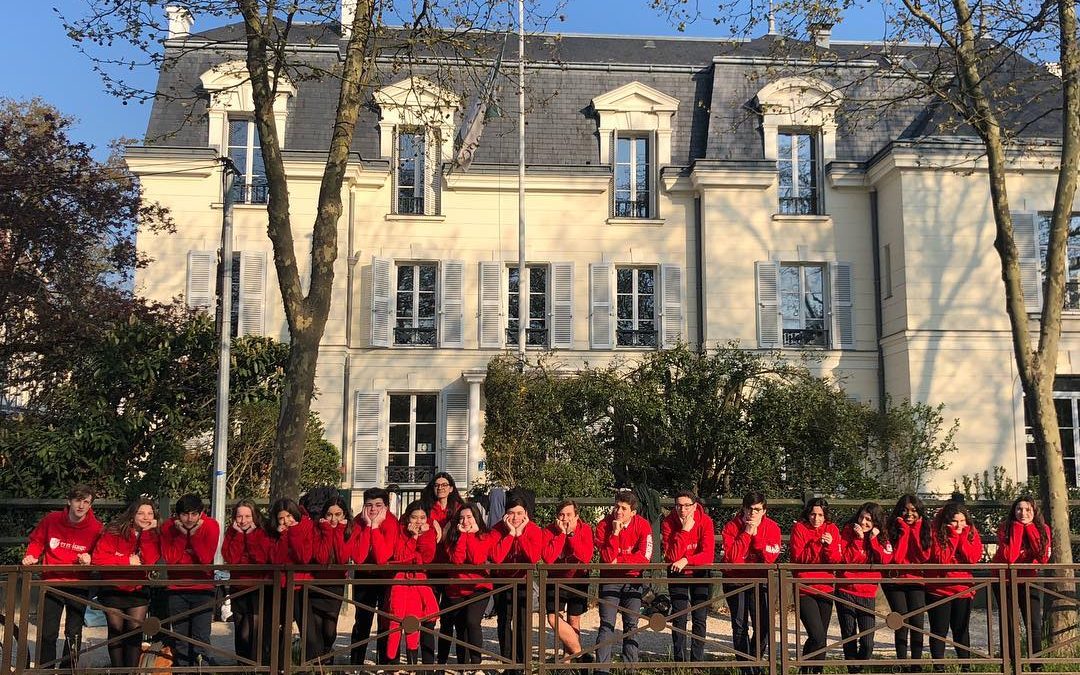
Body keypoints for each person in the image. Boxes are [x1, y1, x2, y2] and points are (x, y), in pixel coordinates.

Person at [22, 484, 102, 669]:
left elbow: (101, 552)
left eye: (86, 502)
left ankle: (69, 669)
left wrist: (90, 558)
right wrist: (32, 555)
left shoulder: (97, 527)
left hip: (79, 583)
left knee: (74, 632)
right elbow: (37, 541)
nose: (81, 505)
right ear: (69, 501)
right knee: (47, 632)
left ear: (90, 505)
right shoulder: (52, 519)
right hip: (52, 581)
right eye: (77, 500)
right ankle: (45, 670)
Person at [91, 497, 160, 669]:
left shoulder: (154, 534)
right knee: (116, 629)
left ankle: (132, 671)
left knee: (135, 630)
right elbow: (98, 559)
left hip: (138, 588)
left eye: (150, 513)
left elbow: (150, 561)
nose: (146, 517)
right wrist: (126, 561)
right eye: (141, 513)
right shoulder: (114, 531)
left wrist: (146, 534)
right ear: (132, 514)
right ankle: (117, 670)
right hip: (113, 587)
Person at [594, 489, 653, 675]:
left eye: (623, 508)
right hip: (609, 580)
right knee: (606, 625)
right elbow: (607, 558)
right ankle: (602, 670)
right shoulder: (603, 525)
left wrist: (619, 561)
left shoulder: (643, 525)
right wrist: (615, 533)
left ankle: (630, 669)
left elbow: (644, 558)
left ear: (633, 512)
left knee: (631, 625)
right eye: (616, 507)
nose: (618, 511)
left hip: (633, 580)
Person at [159, 493, 221, 667]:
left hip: (203, 588)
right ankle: (183, 670)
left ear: (201, 513)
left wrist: (192, 534)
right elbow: (171, 559)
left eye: (194, 514)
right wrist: (182, 535)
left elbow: (205, 558)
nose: (189, 519)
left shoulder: (211, 525)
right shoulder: (168, 527)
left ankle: (201, 669)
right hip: (176, 588)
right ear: (177, 515)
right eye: (185, 514)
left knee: (201, 637)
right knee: (181, 638)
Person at [722, 490, 782, 670]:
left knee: (764, 626)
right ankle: (746, 668)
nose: (753, 513)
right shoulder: (731, 527)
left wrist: (756, 539)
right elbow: (732, 559)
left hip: (761, 581)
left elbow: (770, 557)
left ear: (764, 511)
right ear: (743, 508)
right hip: (735, 580)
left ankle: (756, 662)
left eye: (757, 509)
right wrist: (747, 533)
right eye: (749, 509)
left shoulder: (772, 527)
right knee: (739, 626)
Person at [992, 496, 1051, 669]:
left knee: (1033, 623)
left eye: (1028, 510)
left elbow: (1042, 557)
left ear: (1034, 512)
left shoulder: (1043, 528)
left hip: (1028, 579)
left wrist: (1030, 528)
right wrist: (1018, 528)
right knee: (1009, 623)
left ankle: (1036, 664)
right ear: (1014, 511)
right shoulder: (1005, 527)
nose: (1023, 513)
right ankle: (1010, 665)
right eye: (1019, 509)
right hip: (1005, 580)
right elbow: (1010, 557)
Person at [489, 491, 543, 672]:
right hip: (502, 579)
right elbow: (497, 557)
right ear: (505, 514)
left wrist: (520, 535)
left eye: (519, 513)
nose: (515, 517)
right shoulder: (497, 529)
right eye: (511, 513)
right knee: (504, 621)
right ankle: (508, 663)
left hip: (523, 580)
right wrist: (511, 534)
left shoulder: (534, 529)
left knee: (523, 621)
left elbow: (533, 557)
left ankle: (523, 663)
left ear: (526, 514)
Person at [837, 501, 893, 673]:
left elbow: (885, 560)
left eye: (868, 519)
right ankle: (853, 670)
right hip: (845, 590)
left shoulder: (881, 536)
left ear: (876, 521)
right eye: (861, 517)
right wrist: (858, 540)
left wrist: (873, 541)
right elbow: (846, 559)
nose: (863, 522)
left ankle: (859, 667)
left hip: (868, 592)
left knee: (868, 642)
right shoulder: (849, 531)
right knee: (849, 636)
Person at [926, 501, 982, 672]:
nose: (959, 525)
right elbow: (942, 559)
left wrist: (962, 536)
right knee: (939, 630)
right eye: (954, 521)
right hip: (939, 589)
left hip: (963, 589)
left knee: (961, 630)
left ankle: (965, 666)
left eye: (962, 521)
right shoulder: (936, 533)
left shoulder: (970, 532)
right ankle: (938, 668)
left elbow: (972, 558)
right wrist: (953, 535)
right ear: (946, 521)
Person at [662, 490, 715, 663]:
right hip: (677, 572)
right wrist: (684, 531)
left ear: (694, 505)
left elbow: (708, 555)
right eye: (678, 505)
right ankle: (680, 661)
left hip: (699, 572)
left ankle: (697, 662)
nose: (682, 510)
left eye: (686, 506)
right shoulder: (668, 522)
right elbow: (671, 556)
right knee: (679, 617)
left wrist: (686, 559)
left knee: (700, 618)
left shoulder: (705, 521)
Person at [789, 497, 841, 673]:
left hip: (826, 587)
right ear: (807, 514)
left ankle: (816, 670)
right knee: (816, 634)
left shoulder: (832, 529)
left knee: (821, 636)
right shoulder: (799, 528)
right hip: (805, 587)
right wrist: (817, 544)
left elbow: (836, 560)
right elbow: (798, 558)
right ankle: (805, 669)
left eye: (820, 515)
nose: (816, 518)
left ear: (825, 516)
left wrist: (829, 546)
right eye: (813, 514)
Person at [348, 487, 398, 667]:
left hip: (386, 577)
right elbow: (359, 557)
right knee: (362, 621)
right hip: (364, 577)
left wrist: (375, 527)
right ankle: (356, 664)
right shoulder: (358, 521)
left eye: (378, 505)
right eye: (369, 505)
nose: (373, 509)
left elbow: (382, 557)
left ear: (386, 506)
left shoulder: (391, 522)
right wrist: (368, 526)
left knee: (385, 621)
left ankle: (384, 664)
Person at [386, 500, 440, 668]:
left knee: (416, 623)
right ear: (408, 518)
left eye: (422, 517)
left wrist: (422, 537)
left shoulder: (429, 532)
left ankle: (416, 666)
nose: (418, 521)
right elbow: (400, 556)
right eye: (415, 517)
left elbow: (427, 558)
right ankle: (392, 664)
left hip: (419, 582)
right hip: (401, 581)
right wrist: (413, 538)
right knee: (395, 621)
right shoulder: (400, 530)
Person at [439, 502, 492, 669]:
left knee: (472, 622)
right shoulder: (452, 537)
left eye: (469, 517)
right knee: (460, 626)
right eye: (461, 518)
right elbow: (457, 560)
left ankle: (476, 665)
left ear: (476, 518)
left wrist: (470, 535)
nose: (465, 521)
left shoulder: (485, 536)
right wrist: (463, 536)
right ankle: (463, 665)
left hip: (479, 586)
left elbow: (477, 559)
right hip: (457, 587)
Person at [541, 500, 595, 663]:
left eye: (569, 515)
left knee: (574, 619)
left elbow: (585, 557)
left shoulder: (585, 529)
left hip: (578, 577)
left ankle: (568, 659)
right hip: (555, 579)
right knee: (553, 618)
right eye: (561, 515)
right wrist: (561, 535)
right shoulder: (549, 530)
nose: (565, 518)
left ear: (576, 516)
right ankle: (579, 654)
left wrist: (571, 535)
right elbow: (548, 558)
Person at [266, 497, 315, 667]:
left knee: (307, 630)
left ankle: (311, 665)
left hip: (301, 585)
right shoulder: (275, 533)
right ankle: (279, 665)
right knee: (279, 628)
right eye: (281, 518)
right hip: (281, 586)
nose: (286, 521)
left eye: (289, 516)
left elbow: (304, 557)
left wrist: (292, 533)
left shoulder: (307, 526)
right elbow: (276, 560)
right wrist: (283, 536)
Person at [221, 499, 271, 667]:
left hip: (259, 589)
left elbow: (261, 559)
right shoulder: (231, 532)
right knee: (240, 632)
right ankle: (242, 667)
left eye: (247, 516)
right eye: (239, 516)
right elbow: (231, 559)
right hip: (238, 587)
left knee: (252, 633)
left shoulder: (262, 532)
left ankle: (256, 667)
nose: (243, 521)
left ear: (254, 516)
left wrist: (249, 536)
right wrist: (238, 537)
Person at [885, 494, 932, 671]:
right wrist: (904, 531)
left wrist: (915, 529)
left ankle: (916, 664)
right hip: (895, 581)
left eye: (913, 510)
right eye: (905, 510)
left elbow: (923, 557)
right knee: (900, 621)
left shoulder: (925, 528)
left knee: (917, 623)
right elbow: (897, 558)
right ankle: (901, 663)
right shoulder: (892, 528)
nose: (909, 514)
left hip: (917, 580)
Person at [308, 493, 352, 664]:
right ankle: (320, 662)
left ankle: (327, 653)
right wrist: (327, 532)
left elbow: (342, 558)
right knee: (317, 626)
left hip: (335, 584)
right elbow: (321, 557)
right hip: (317, 584)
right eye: (329, 514)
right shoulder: (318, 530)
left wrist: (338, 531)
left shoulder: (347, 530)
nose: (333, 519)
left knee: (329, 628)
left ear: (344, 515)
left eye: (337, 514)